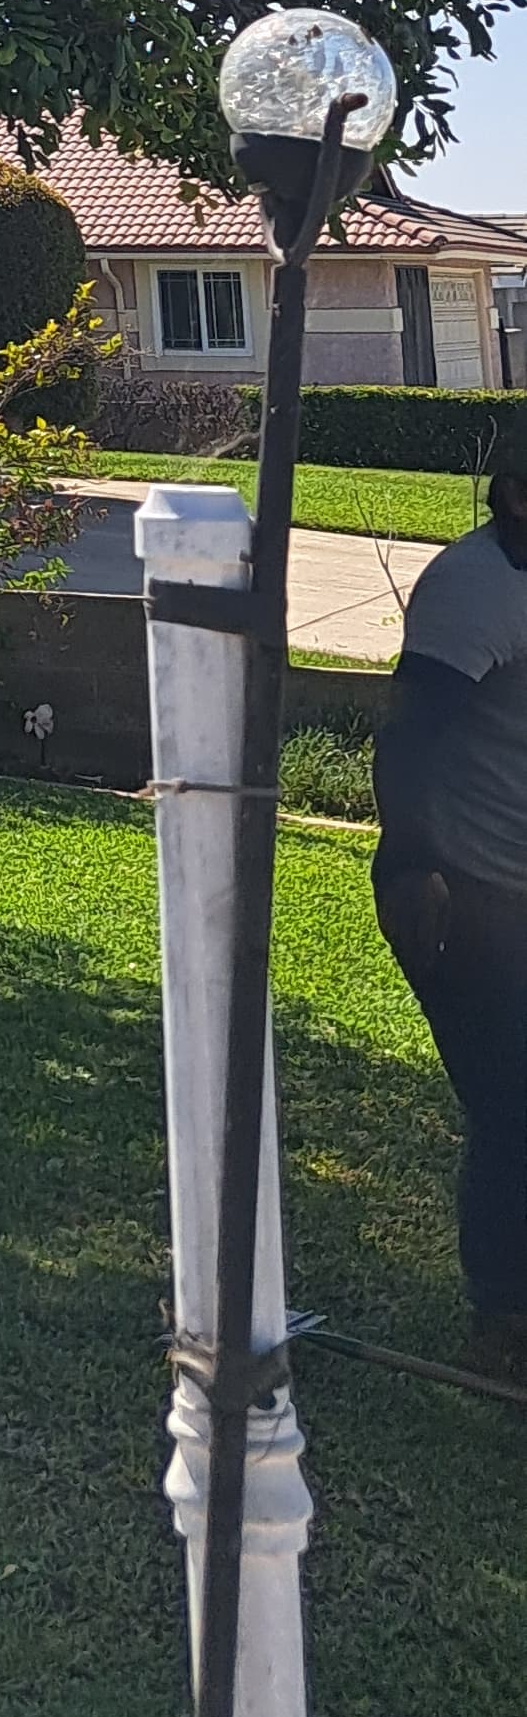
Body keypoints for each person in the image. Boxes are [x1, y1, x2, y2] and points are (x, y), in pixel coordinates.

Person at [371, 462, 527, 1371]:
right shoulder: (478, 588)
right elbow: (406, 735)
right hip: (465, 894)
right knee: (513, 1103)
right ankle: (501, 1327)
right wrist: (409, 866)